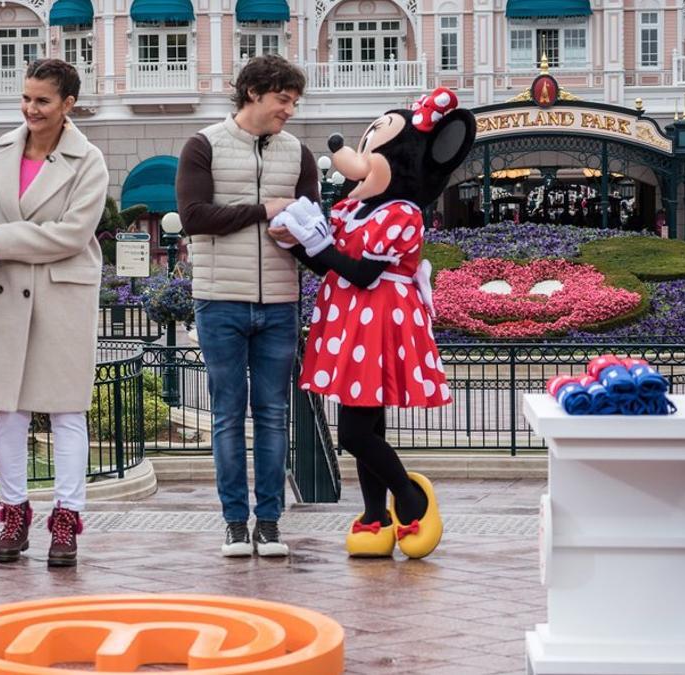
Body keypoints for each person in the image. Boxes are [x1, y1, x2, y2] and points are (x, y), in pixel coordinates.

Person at [271, 87, 475, 560]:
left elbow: (362, 271)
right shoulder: (356, 209)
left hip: (379, 318)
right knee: (369, 427)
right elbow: (332, 264)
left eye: (371, 151)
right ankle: (375, 515)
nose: (358, 159)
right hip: (351, 317)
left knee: (354, 433)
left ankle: (409, 497)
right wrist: (297, 242)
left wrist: (315, 247)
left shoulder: (403, 214)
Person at [0, 59, 107, 568]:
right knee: (7, 410)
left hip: (62, 294)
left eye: (42, 100)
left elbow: (71, 234)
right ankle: (14, 513)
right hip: (6, 292)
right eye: (26, 98)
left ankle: (66, 517)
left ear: (68, 104)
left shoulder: (88, 161)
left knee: (67, 411)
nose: (30, 109)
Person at [175, 54, 320, 558]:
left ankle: (271, 523)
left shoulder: (297, 153)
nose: (290, 110)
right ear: (254, 92)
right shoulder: (203, 145)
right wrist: (264, 211)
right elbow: (193, 216)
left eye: (294, 101)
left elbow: (312, 228)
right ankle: (235, 522)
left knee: (275, 414)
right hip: (219, 301)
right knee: (228, 415)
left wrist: (300, 234)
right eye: (284, 99)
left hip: (280, 301)